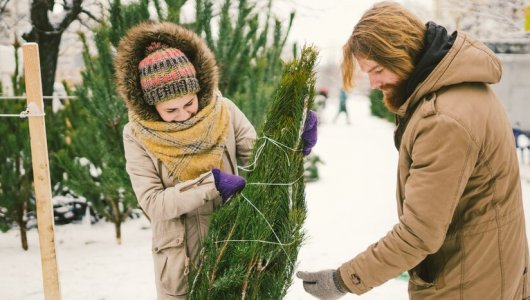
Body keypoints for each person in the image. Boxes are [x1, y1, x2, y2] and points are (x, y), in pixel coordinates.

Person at [296, 2, 530, 299]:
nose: (374, 82)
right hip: (490, 270)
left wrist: (343, 280)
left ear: (402, 53)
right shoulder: (464, 89)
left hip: (466, 283)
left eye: (378, 70)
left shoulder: (443, 119)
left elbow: (419, 234)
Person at [115, 22, 317, 299]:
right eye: (170, 110)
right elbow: (153, 202)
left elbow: (259, 163)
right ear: (152, 105)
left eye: (189, 103)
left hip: (235, 248)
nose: (184, 115)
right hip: (182, 264)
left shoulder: (225, 112)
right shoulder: (137, 135)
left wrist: (294, 146)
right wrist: (211, 184)